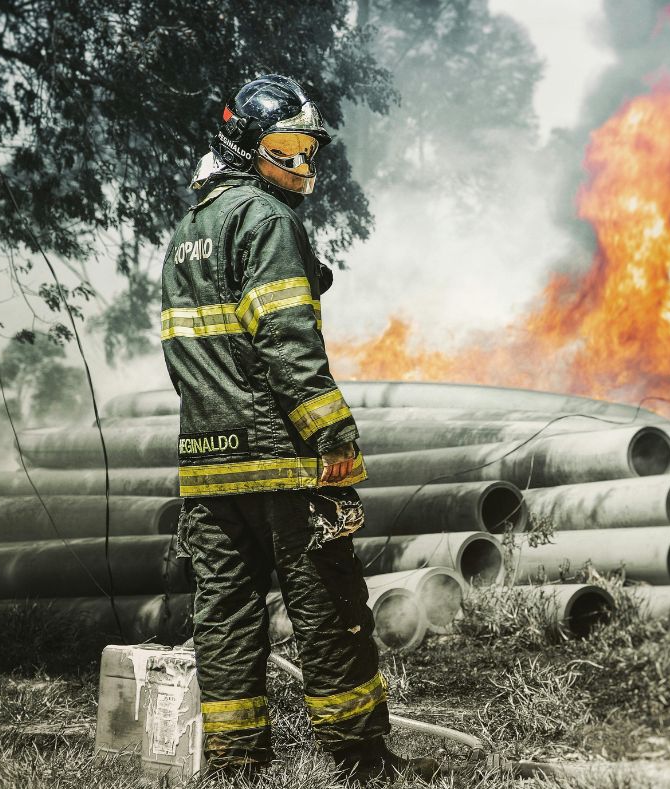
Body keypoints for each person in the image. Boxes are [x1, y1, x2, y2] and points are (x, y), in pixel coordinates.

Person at [160, 74, 440, 783]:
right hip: (281, 460)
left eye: (308, 148)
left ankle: (236, 764)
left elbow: (188, 356)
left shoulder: (189, 231)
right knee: (329, 606)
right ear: (245, 146)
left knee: (225, 617)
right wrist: (332, 433)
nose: (301, 162)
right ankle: (362, 760)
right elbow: (286, 339)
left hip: (208, 464)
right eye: (285, 147)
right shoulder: (266, 220)